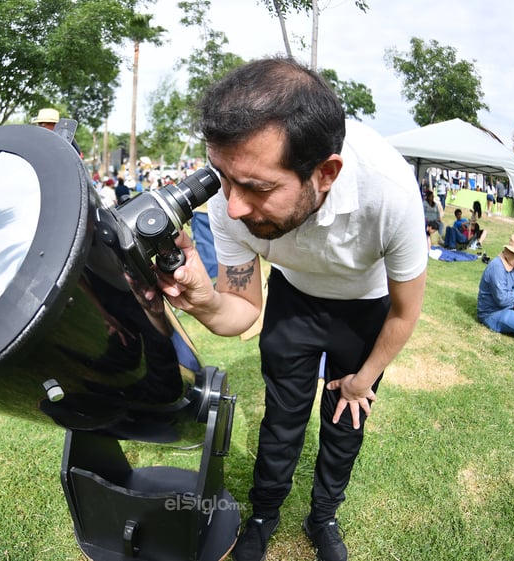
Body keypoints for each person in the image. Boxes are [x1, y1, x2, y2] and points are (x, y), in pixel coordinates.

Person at [153, 58, 427, 561]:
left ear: (325, 173)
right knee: (283, 417)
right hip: (294, 297)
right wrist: (204, 300)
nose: (232, 207)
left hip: (365, 308)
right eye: (225, 179)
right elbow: (240, 312)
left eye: (257, 188)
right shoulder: (231, 189)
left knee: (346, 419)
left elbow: (405, 313)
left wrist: (365, 377)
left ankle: (323, 516)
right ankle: (264, 514)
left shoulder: (389, 192)